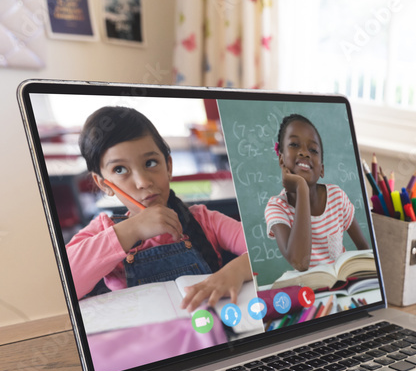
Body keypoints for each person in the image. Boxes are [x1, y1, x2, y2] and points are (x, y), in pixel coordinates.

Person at [68, 106, 252, 311]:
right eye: (120, 169)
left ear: (169, 166)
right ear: (103, 184)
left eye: (151, 162)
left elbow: (267, 251)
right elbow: (63, 286)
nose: (143, 182)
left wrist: (234, 272)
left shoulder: (204, 220)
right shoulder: (104, 230)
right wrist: (132, 229)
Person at [264, 114, 369, 272]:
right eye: (294, 144)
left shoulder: (337, 197)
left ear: (322, 169)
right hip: (306, 292)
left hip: (342, 285)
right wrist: (301, 188)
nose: (304, 153)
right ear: (281, 160)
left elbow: (364, 248)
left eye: (313, 150)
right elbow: (300, 263)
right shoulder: (277, 208)